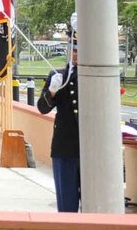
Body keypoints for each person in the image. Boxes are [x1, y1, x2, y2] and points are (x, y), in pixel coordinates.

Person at [38, 39, 80, 212]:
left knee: (94, 207)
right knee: (66, 203)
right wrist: (52, 91)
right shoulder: (58, 76)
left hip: (91, 148)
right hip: (65, 146)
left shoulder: (95, 74)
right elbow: (43, 107)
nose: (78, 53)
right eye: (75, 49)